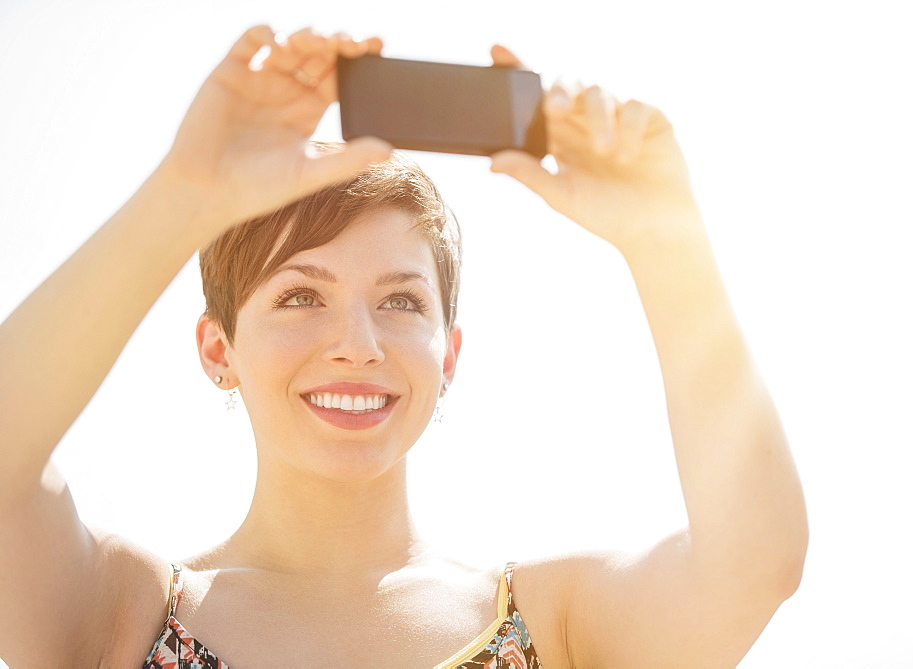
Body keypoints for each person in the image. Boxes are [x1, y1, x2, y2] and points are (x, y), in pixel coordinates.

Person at [0, 25, 808, 668]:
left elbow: (755, 561)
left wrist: (667, 242)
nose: (357, 344)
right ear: (218, 348)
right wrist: (185, 194)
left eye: (399, 300)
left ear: (448, 354)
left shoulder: (553, 622)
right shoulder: (123, 615)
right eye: (301, 295)